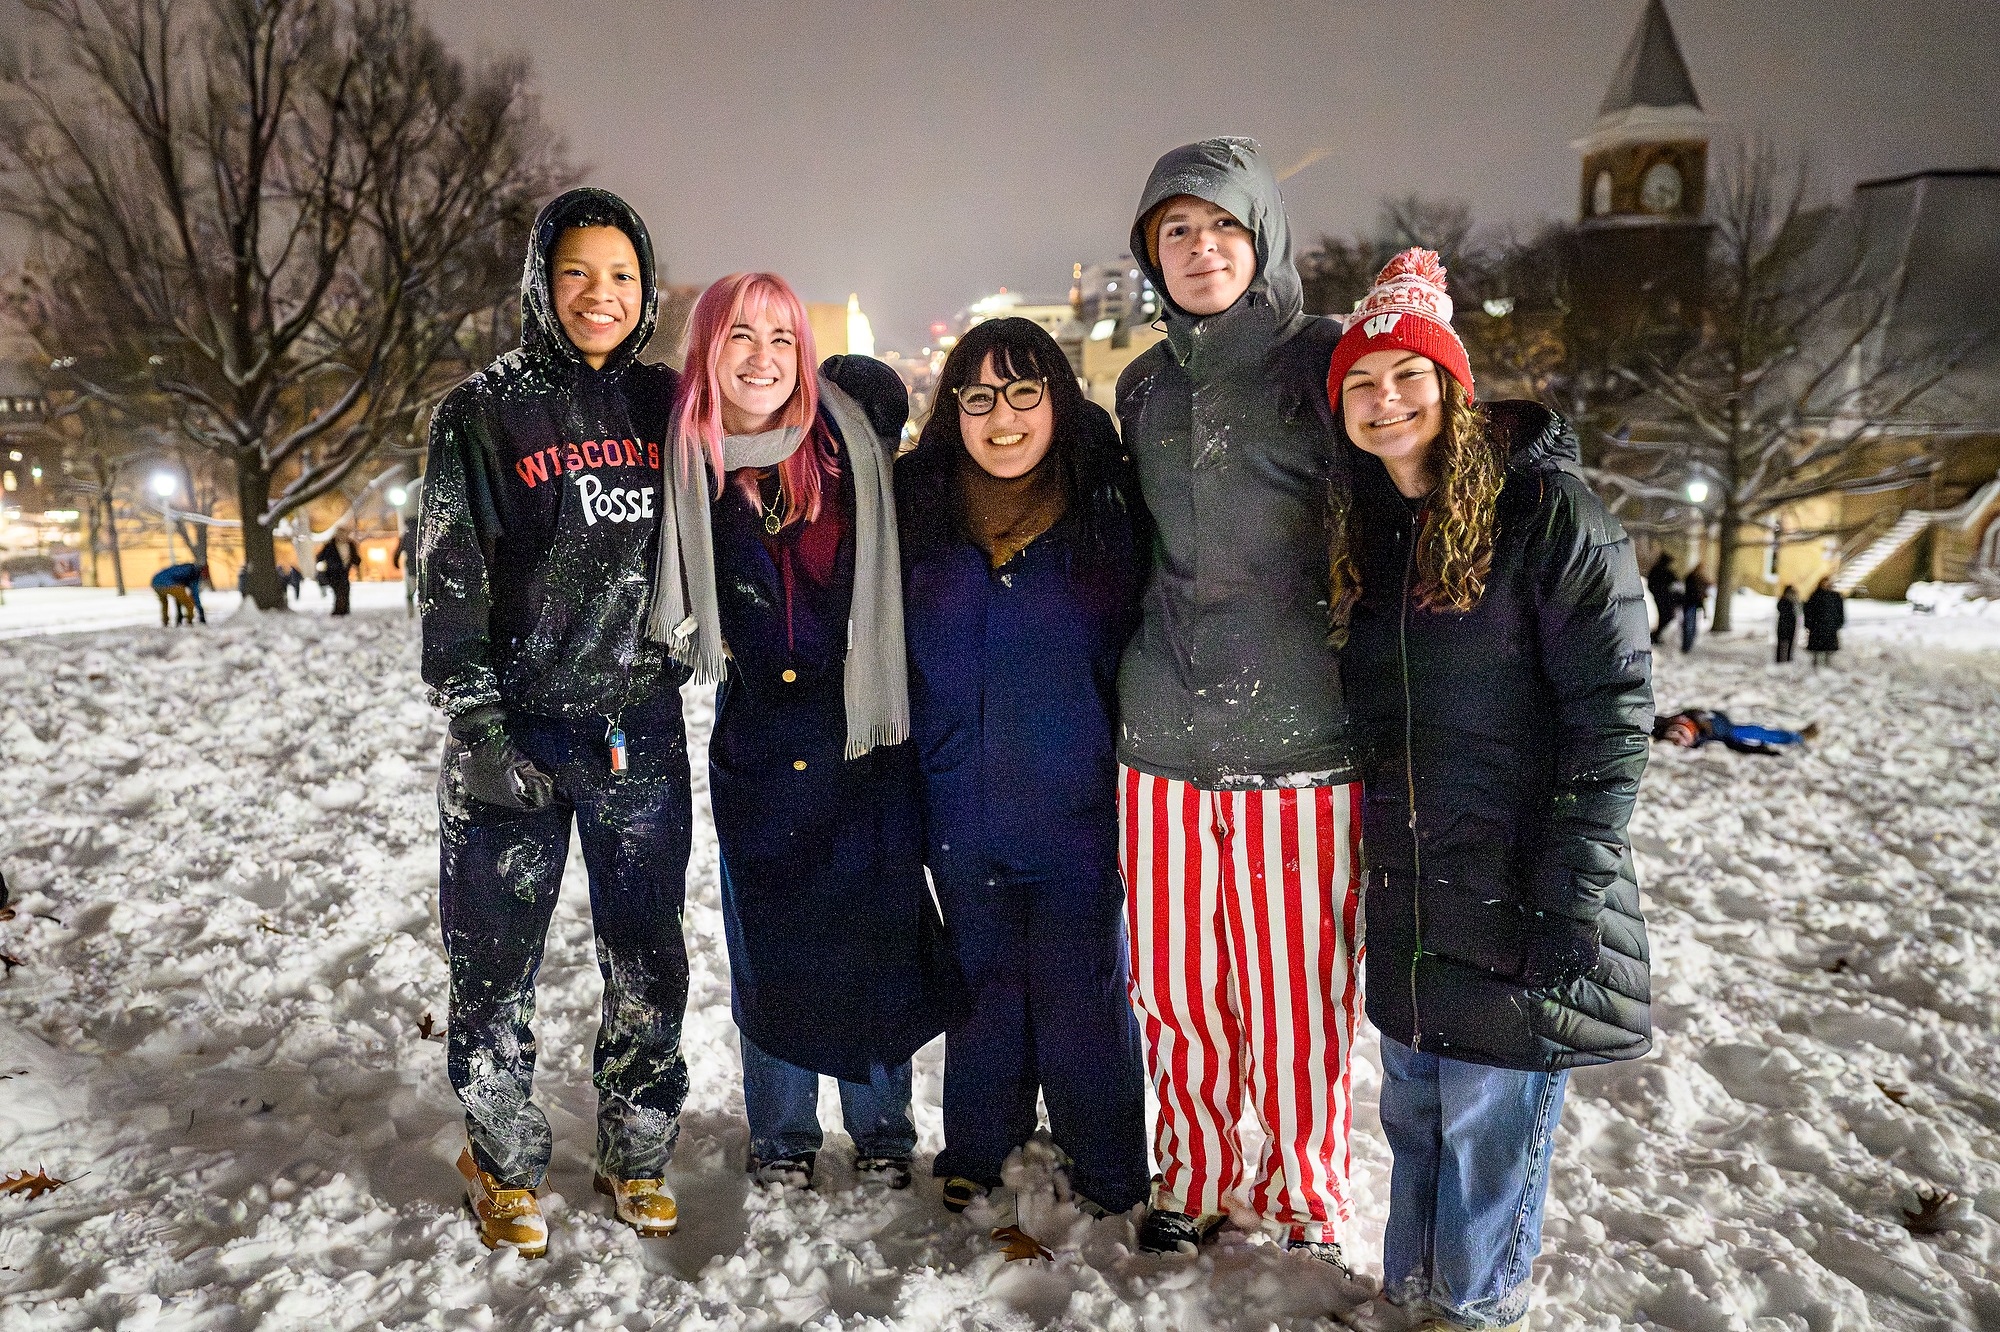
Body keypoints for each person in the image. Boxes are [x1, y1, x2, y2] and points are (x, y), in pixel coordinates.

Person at [1327, 250, 1654, 1332]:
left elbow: (1609, 721)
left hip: (1518, 885)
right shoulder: (1370, 530)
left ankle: (1472, 1312)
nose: (1385, 402)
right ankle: (1406, 1300)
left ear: (1451, 387)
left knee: (1487, 1135)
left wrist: (1565, 891)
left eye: (1406, 378)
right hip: (1418, 891)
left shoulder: (1548, 514)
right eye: (1362, 385)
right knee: (1415, 1117)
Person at [419, 187, 692, 1255]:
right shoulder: (480, 412)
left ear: (646, 288)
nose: (599, 293)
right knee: (492, 968)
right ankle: (499, 1155)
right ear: (541, 280)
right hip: (515, 735)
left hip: (638, 734)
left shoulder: (668, 405)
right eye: (576, 271)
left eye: (620, 275)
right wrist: (477, 731)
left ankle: (635, 1147)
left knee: (647, 958)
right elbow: (449, 582)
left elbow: (773, 445)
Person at [1113, 138, 1363, 1266]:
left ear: (1260, 236)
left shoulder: (1324, 361)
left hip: (1300, 730)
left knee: (1292, 989)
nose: (1198, 249)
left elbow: (1408, 482)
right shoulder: (1142, 383)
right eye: (1175, 231)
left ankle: (1302, 1189)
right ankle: (1198, 1170)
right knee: (1174, 982)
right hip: (1160, 725)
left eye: (1219, 225)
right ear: (1147, 255)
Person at [650, 272, 955, 1193]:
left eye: (782, 339)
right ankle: (782, 1135)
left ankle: (883, 1133)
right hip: (759, 743)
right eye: (740, 337)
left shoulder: (848, 444)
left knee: (875, 938)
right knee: (769, 946)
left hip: (863, 733)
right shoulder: (684, 460)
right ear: (706, 350)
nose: (762, 358)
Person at [896, 317, 1151, 1220]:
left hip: (1078, 803)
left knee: (1084, 994)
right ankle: (978, 1142)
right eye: (978, 396)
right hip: (957, 800)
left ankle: (1111, 1160)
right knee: (983, 988)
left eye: (1023, 393)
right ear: (952, 411)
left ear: (1057, 402)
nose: (1001, 417)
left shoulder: (1110, 511)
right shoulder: (916, 511)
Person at [1652, 708, 1817, 755]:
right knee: (1747, 733)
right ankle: (1795, 736)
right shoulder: (1709, 735)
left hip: (1717, 723)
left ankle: (1795, 736)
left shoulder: (1711, 729)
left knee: (1750, 733)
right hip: (1717, 726)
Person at [316, 528, 361, 616]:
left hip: (344, 572)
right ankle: (338, 610)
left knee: (345, 590)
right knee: (338, 591)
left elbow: (355, 557)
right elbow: (320, 556)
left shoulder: (350, 544)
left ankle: (344, 609)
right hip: (333, 573)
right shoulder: (330, 546)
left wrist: (356, 562)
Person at [150, 561, 209, 626]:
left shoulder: (187, 568)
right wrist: (200, 610)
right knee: (189, 604)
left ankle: (166, 622)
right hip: (168, 583)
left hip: (155, 582)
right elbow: (195, 594)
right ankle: (189, 622)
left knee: (165, 603)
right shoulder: (194, 574)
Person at [1805, 577, 1844, 667]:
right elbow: (1808, 611)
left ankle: (1827, 665)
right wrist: (1809, 624)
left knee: (1828, 649)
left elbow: (1840, 611)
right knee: (1816, 649)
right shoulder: (1814, 596)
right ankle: (1815, 666)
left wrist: (1839, 623)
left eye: (1828, 583)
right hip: (1817, 627)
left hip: (1830, 627)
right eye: (1824, 583)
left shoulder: (1835, 597)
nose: (1826, 585)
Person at [1645, 551, 1678, 645]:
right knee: (1666, 616)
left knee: (1666, 617)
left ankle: (1655, 636)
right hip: (1663, 598)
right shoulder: (1661, 571)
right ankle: (1655, 636)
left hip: (1663, 598)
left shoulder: (1659, 570)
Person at [1679, 564, 1709, 653]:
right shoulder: (1694, 579)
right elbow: (1695, 592)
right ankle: (1686, 647)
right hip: (1691, 604)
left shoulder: (1693, 578)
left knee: (1690, 626)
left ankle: (1687, 646)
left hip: (1691, 604)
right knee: (1690, 626)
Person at [394, 530, 417, 618]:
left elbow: (399, 549)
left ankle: (410, 613)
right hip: (421, 567)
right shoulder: (423, 532)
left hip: (410, 566)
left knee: (410, 593)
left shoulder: (407, 535)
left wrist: (395, 561)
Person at [1775, 584, 1801, 663]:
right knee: (1781, 643)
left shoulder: (1794, 602)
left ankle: (1788, 659)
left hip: (1791, 625)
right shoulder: (1784, 602)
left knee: (1790, 643)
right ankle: (1780, 660)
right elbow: (1781, 609)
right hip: (1783, 625)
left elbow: (1798, 614)